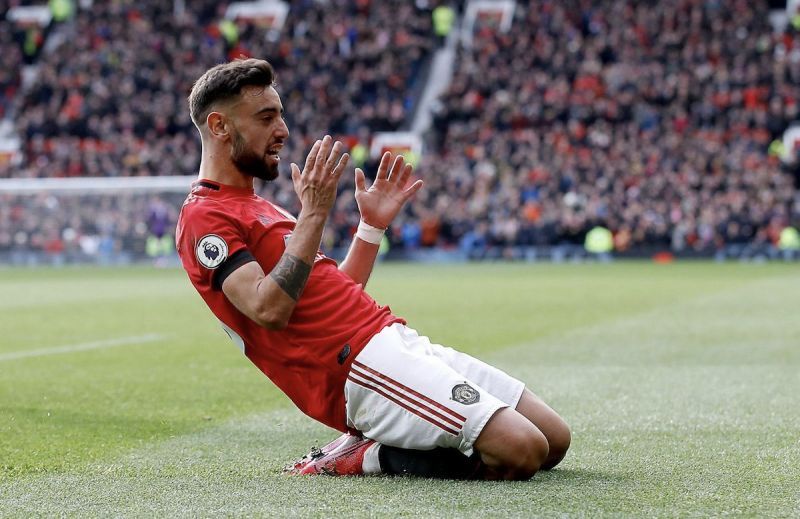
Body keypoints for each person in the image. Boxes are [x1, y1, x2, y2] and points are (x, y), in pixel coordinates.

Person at [176, 58, 570, 480]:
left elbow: (334, 291)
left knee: (554, 440)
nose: (283, 131)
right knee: (522, 451)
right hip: (353, 368)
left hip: (390, 338)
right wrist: (313, 215)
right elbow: (268, 309)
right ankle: (367, 456)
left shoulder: (258, 205)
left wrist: (371, 227)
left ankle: (381, 439)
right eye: (266, 117)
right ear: (219, 126)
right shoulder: (205, 217)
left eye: (281, 115)